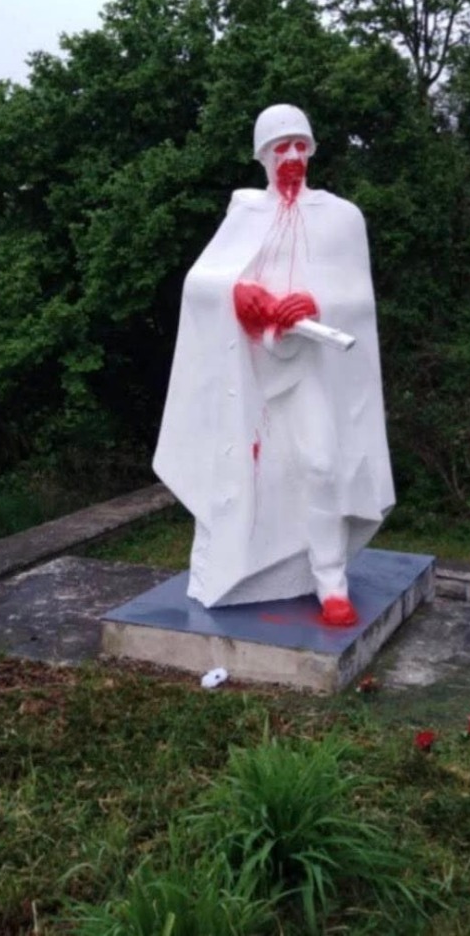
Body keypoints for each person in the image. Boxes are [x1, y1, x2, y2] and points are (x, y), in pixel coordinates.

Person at [153, 104, 394, 626]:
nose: (292, 157)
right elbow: (202, 282)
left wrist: (315, 302)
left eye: (300, 146)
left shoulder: (341, 216)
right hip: (248, 364)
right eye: (281, 147)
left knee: (322, 464)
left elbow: (359, 298)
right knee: (242, 471)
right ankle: (237, 568)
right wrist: (239, 294)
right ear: (263, 155)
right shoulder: (245, 213)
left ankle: (330, 581)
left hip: (311, 362)